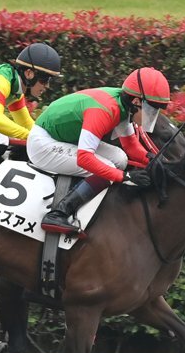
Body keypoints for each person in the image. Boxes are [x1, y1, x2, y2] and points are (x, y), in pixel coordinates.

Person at [28, 67, 171, 235]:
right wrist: (125, 177)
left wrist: (152, 160)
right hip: (43, 143)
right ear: (137, 102)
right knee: (109, 167)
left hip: (64, 138)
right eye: (152, 110)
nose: (152, 116)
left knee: (120, 158)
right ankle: (58, 213)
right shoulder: (105, 109)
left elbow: (131, 146)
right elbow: (84, 158)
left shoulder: (124, 104)